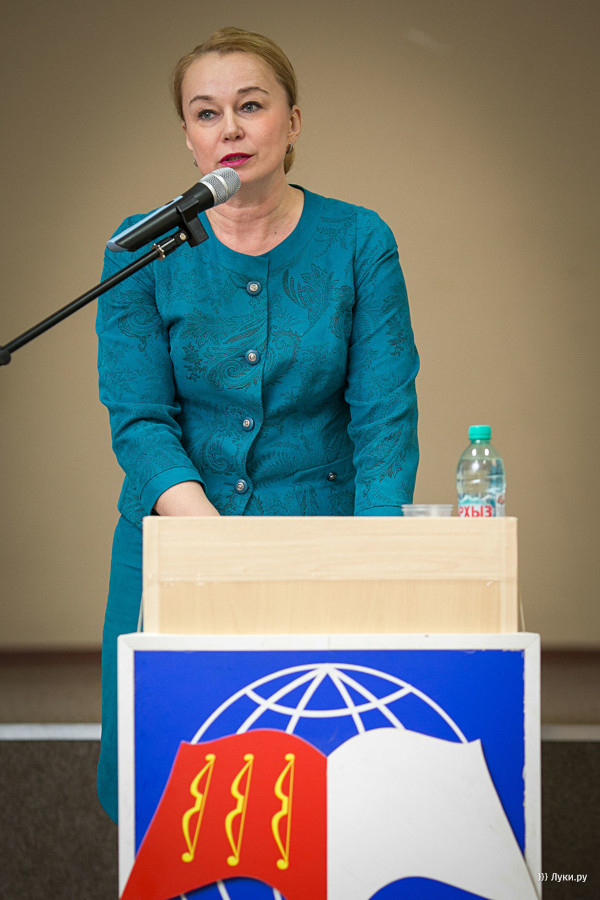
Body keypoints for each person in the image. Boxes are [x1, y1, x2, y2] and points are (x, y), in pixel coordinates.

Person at [95, 26, 419, 822]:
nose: (229, 128)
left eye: (251, 105)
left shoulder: (359, 240)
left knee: (317, 781)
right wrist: (210, 541)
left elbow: (385, 418)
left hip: (321, 544)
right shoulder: (140, 248)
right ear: (187, 134)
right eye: (206, 112)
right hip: (173, 543)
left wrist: (373, 559)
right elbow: (138, 419)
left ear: (293, 122)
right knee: (167, 788)